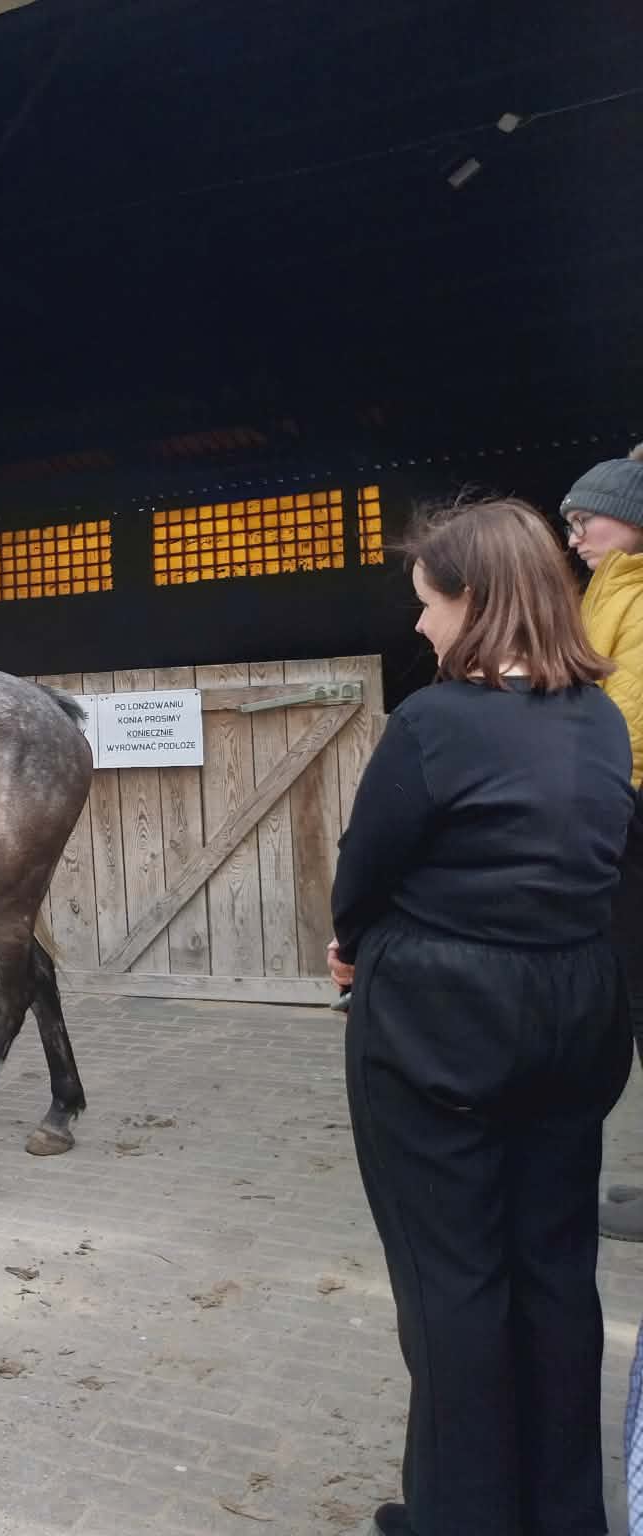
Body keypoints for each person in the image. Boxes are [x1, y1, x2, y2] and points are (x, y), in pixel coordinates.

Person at [327, 498, 633, 1536]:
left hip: (437, 1021)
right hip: (576, 1009)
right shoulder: (602, 720)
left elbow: (362, 876)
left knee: (450, 1280)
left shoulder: (431, 724)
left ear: (476, 603)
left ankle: (458, 1517)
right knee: (552, 1273)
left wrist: (350, 946)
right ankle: (560, 1517)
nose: (418, 628)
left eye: (426, 605)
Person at [562, 444, 643, 1244]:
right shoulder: (610, 590)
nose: (577, 535)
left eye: (587, 519)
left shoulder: (639, 594)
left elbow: (625, 723)